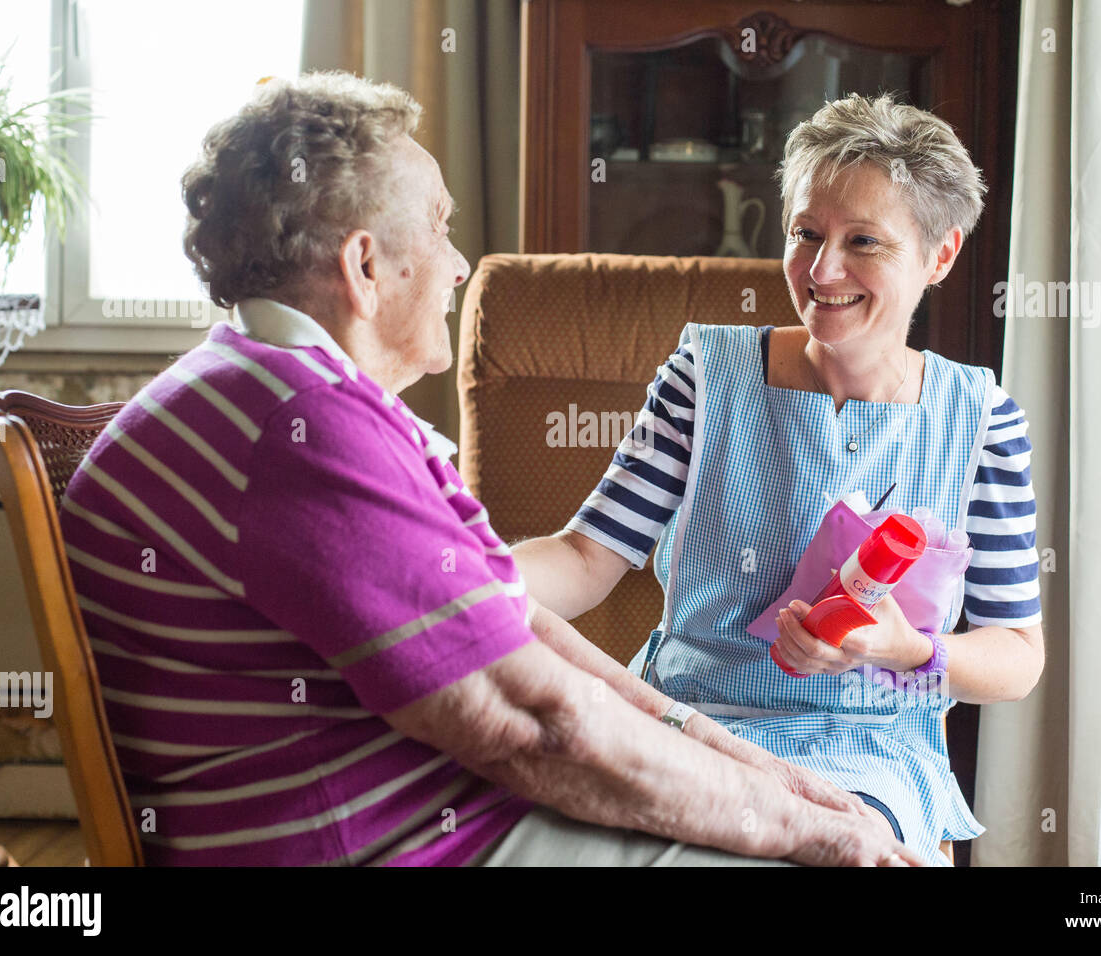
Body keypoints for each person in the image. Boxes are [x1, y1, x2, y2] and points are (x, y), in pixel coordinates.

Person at [58, 72, 920, 867]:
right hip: (387, 840)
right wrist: (817, 836)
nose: (460, 263)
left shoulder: (271, 386)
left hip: (415, 812)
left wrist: (786, 786)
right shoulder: (303, 428)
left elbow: (525, 637)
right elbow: (539, 725)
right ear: (364, 266)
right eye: (438, 227)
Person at [512, 93, 1045, 866]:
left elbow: (1017, 655)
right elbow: (587, 558)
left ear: (940, 255)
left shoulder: (983, 421)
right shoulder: (706, 376)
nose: (822, 270)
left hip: (869, 756)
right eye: (806, 233)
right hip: (685, 724)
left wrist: (906, 650)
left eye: (864, 240)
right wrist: (456, 574)